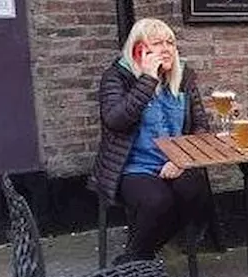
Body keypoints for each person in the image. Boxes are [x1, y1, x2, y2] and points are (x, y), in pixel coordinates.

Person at [89, 18, 214, 264]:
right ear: (138, 49)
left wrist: (182, 159)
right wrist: (147, 80)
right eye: (157, 43)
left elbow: (201, 126)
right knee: (157, 202)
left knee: (197, 192)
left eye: (170, 43)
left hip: (176, 162)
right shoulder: (117, 77)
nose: (167, 49)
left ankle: (135, 257)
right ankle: (139, 261)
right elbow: (115, 120)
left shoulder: (184, 77)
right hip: (132, 167)